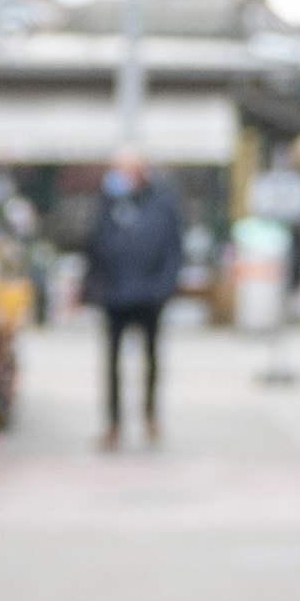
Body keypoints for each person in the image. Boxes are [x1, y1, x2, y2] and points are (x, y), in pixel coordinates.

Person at [77, 157, 192, 447]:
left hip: (149, 296)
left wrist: (164, 287)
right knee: (112, 363)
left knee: (151, 359)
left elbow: (174, 248)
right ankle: (113, 424)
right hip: (114, 295)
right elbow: (93, 244)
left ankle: (150, 417)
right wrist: (93, 286)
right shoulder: (108, 203)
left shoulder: (161, 203)